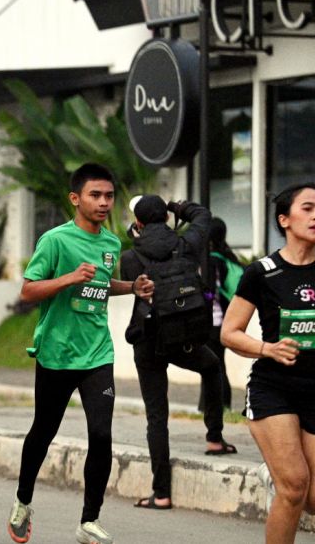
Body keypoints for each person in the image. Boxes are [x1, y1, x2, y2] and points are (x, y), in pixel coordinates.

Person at [8, 163, 153, 544]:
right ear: (76, 199)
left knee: (102, 434)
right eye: (95, 195)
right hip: (56, 353)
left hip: (97, 353)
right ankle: (23, 501)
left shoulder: (110, 243)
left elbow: (101, 287)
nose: (104, 202)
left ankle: (89, 520)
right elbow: (28, 291)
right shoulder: (55, 240)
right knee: (44, 431)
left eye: (108, 196)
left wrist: (131, 287)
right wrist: (69, 278)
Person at [222, 183, 315, 544]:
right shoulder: (262, 273)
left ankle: (278, 481)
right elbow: (229, 333)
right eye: (308, 209)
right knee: (296, 486)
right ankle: (285, 482)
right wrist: (267, 349)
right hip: (273, 389)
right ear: (284, 219)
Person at [119, 195, 234, 511]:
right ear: (168, 219)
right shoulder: (188, 244)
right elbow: (203, 214)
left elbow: (130, 279)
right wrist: (176, 206)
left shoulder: (131, 256)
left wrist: (137, 234)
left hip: (148, 340)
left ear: (139, 224)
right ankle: (214, 437)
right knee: (211, 367)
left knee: (157, 416)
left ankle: (161, 492)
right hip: (184, 335)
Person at [201, 217, 240, 411]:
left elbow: (210, 293)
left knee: (213, 366)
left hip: (212, 321)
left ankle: (216, 407)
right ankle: (219, 406)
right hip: (224, 319)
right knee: (217, 364)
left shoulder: (212, 261)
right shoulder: (228, 257)